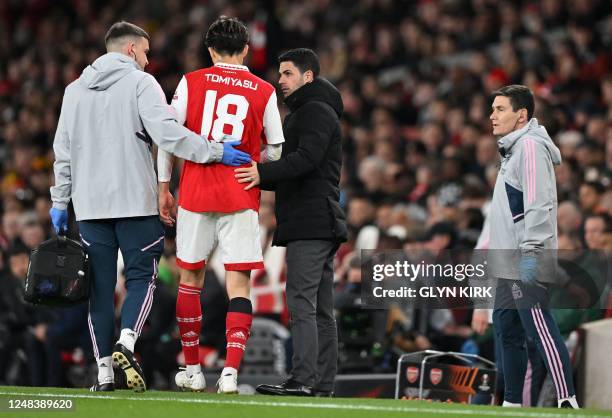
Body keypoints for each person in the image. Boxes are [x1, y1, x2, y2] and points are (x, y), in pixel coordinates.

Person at [49, 21, 251, 393]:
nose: (147, 60)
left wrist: (60, 201)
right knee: (142, 277)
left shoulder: (73, 90)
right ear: (129, 50)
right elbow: (169, 134)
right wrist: (216, 151)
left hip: (90, 207)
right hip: (134, 202)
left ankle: (105, 373)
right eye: (144, 52)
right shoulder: (142, 83)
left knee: (98, 287)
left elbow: (63, 152)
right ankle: (126, 343)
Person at [156, 16, 284, 393]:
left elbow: (168, 137)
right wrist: (260, 171)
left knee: (191, 279)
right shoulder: (263, 89)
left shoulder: (191, 82)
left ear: (210, 50)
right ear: (245, 49)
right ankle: (230, 372)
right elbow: (275, 148)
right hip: (241, 193)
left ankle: (193, 369)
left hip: (196, 192)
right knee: (238, 284)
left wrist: (165, 186)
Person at [235, 48, 347, 397]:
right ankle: (322, 384)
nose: (280, 80)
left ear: (308, 76)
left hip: (310, 222)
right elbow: (298, 166)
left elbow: (306, 160)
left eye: (287, 73)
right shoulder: (316, 110)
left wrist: (261, 171)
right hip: (320, 220)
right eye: (280, 73)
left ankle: (304, 380)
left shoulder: (313, 111)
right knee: (321, 309)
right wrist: (261, 175)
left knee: (301, 303)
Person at [487, 85, 578, 409]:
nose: (492, 116)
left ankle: (567, 399)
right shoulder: (514, 149)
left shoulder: (528, 146)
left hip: (526, 255)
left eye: (500, 109)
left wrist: (531, 252)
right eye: (492, 109)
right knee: (507, 330)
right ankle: (512, 404)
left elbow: (538, 203)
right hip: (507, 258)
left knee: (538, 326)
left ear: (521, 115)